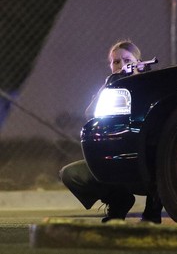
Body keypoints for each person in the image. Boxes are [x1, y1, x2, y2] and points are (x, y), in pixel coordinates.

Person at [60, 40, 163, 223]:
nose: (122, 65)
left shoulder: (152, 89)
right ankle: (119, 203)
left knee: (164, 161)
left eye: (127, 60)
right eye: (116, 62)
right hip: (116, 165)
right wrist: (108, 85)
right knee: (71, 174)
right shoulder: (111, 91)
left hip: (147, 169)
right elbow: (90, 114)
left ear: (139, 62)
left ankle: (152, 211)